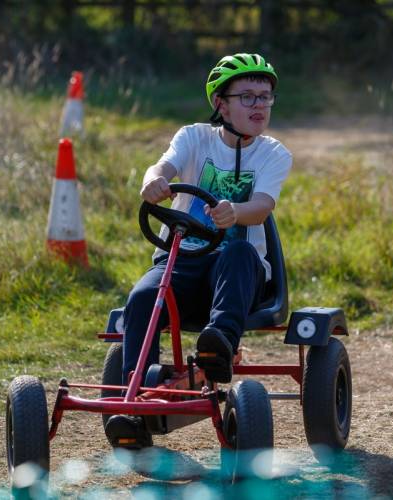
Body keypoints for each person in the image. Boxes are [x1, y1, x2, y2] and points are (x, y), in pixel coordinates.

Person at [105, 53, 292, 446]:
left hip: (237, 277)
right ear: (221, 104)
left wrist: (235, 212)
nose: (259, 105)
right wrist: (153, 182)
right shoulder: (193, 138)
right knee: (141, 296)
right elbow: (161, 168)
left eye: (265, 97)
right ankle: (133, 406)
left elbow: (262, 207)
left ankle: (217, 346)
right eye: (248, 97)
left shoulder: (273, 153)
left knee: (238, 252)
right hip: (183, 261)